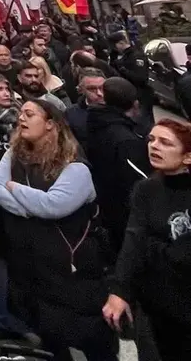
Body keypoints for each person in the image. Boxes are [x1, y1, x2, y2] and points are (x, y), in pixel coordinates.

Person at [0, 99, 117, 360]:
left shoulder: (75, 166)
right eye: (21, 114)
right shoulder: (14, 152)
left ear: (50, 125)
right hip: (33, 271)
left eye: (29, 114)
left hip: (73, 275)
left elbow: (53, 205)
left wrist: (16, 189)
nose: (21, 119)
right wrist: (29, 207)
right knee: (51, 339)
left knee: (93, 342)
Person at [103, 119, 191, 360]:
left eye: (165, 143)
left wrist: (152, 247)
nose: (154, 146)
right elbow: (133, 240)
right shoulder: (146, 190)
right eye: (151, 139)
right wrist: (119, 290)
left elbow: (183, 254)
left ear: (187, 157)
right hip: (156, 307)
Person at [85, 77, 151, 252]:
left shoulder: (96, 121)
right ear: (134, 103)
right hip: (124, 210)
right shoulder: (124, 139)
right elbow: (139, 180)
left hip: (106, 201)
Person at [108, 31, 153, 127]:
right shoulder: (123, 56)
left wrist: (123, 70)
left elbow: (141, 78)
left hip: (140, 96)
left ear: (121, 43)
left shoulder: (136, 56)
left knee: (144, 124)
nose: (115, 49)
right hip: (130, 96)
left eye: (115, 46)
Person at [64, 68, 106, 151]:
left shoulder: (118, 108)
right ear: (81, 90)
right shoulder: (71, 114)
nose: (99, 93)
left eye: (102, 88)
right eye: (92, 89)